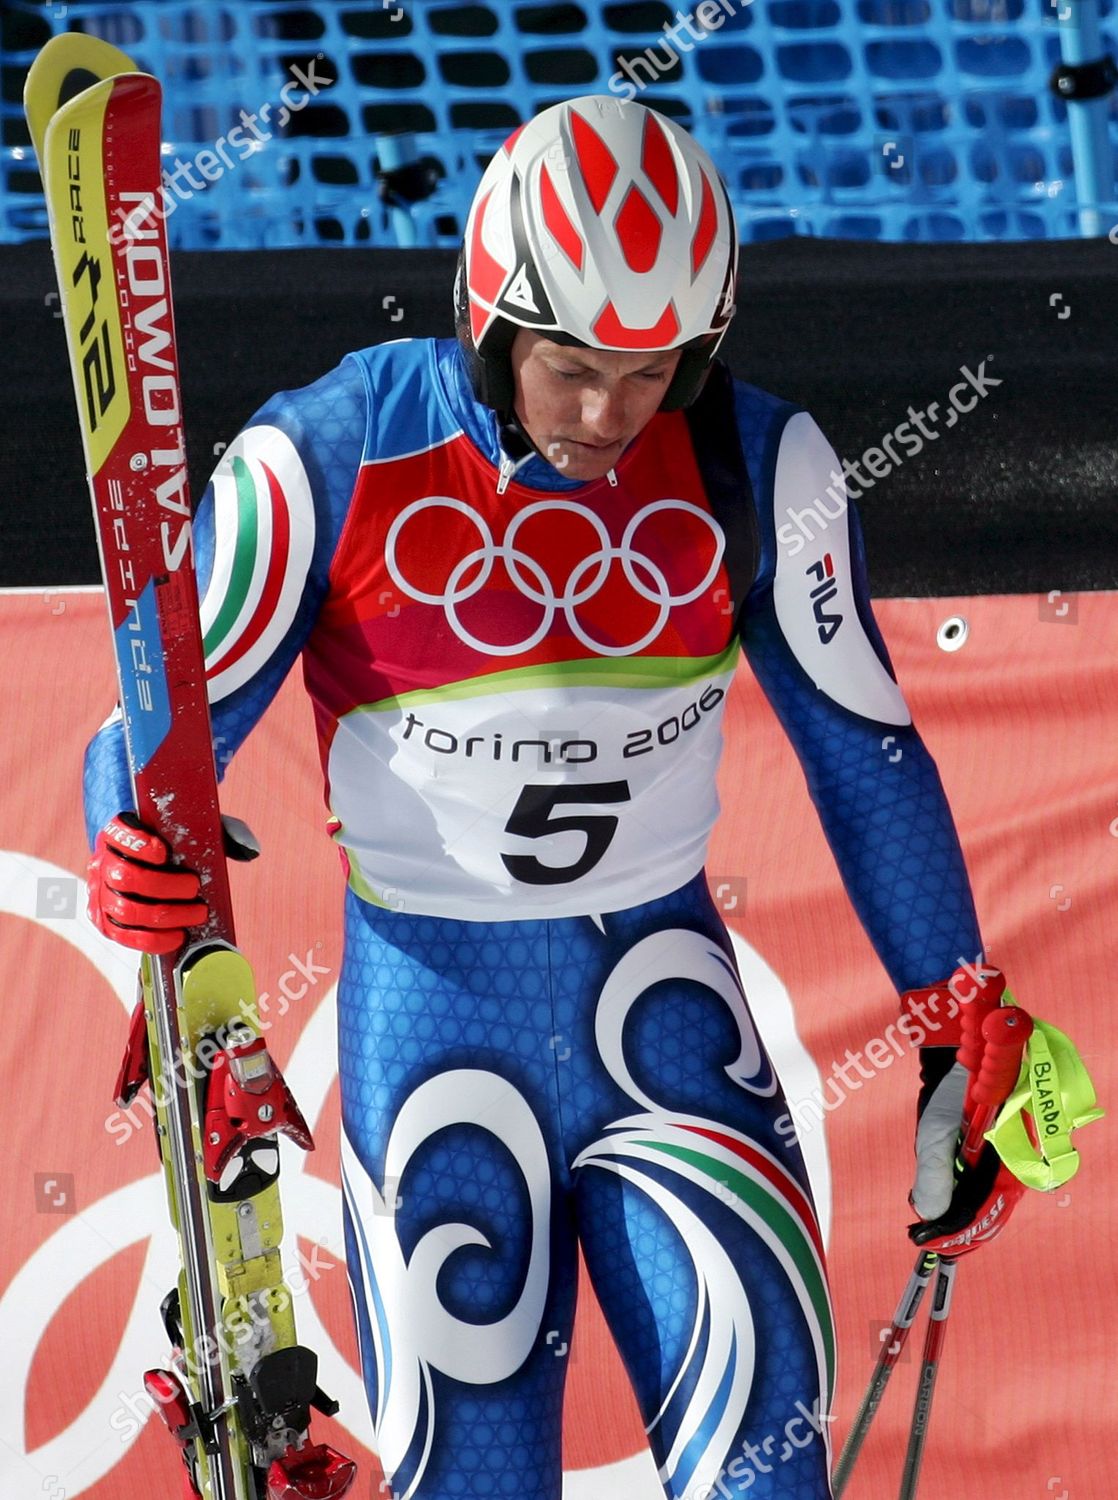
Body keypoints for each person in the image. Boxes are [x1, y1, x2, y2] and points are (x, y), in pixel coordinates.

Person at [84, 95, 1014, 1500]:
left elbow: (863, 751)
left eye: (651, 374)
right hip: (431, 1025)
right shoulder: (326, 454)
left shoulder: (760, 461)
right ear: (487, 314)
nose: (605, 417)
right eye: (570, 367)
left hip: (674, 1029)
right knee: (474, 1479)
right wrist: (133, 853)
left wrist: (954, 1020)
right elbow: (152, 737)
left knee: (767, 1470)